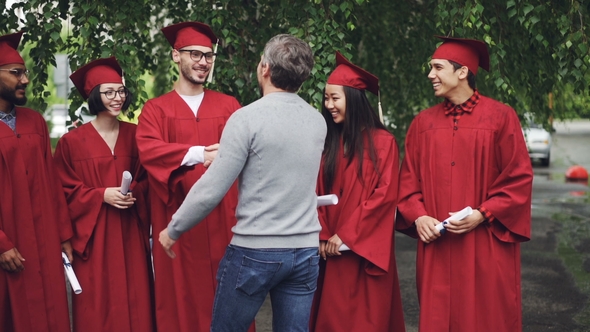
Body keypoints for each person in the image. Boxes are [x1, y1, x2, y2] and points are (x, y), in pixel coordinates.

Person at [159, 34, 326, 332]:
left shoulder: (246, 118)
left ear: (265, 68)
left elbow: (212, 188)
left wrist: (174, 228)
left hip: (255, 251)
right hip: (305, 250)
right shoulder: (317, 121)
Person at [396, 36, 533, 332]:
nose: (431, 75)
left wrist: (483, 213)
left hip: (484, 243)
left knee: (486, 318)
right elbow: (406, 182)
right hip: (437, 244)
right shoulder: (422, 123)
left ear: (462, 72)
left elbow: (518, 179)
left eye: (437, 67)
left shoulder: (500, 117)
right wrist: (418, 215)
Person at [136, 21, 242, 332]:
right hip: (178, 223)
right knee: (180, 305)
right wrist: (200, 154)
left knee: (229, 302)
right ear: (175, 56)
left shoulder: (230, 106)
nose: (202, 62)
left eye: (208, 56)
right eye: (194, 54)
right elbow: (150, 151)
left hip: (225, 222)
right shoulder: (155, 110)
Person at [54, 57, 154, 332]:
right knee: (96, 308)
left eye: (121, 91)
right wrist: (100, 195)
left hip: (130, 234)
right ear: (94, 96)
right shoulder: (71, 142)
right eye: (108, 92)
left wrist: (134, 191)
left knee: (137, 301)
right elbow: (62, 191)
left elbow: (149, 181)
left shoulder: (137, 136)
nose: (117, 98)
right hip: (93, 238)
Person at [310, 51, 406, 331]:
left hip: (362, 252)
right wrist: (323, 234)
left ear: (352, 98)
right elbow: (313, 190)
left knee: (365, 320)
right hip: (327, 249)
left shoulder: (384, 143)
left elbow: (385, 197)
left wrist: (346, 236)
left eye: (334, 98)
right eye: (326, 98)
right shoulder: (326, 143)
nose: (328, 105)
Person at [0, 31, 73, 332]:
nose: (25, 80)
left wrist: (64, 235)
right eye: (16, 73)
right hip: (8, 245)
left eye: (25, 73)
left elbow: (53, 184)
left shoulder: (34, 122)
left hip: (42, 242)